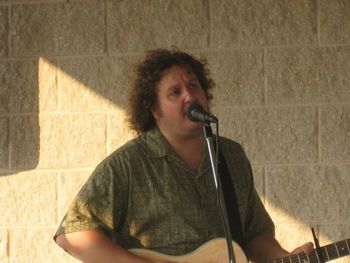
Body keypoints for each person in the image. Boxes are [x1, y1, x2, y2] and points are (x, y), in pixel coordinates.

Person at [54, 49, 313, 263]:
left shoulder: (230, 156)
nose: (190, 96)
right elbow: (72, 234)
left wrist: (286, 257)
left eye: (193, 86)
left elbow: (255, 234)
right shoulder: (129, 164)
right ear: (155, 109)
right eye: (175, 92)